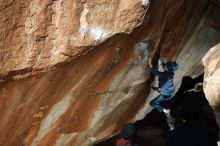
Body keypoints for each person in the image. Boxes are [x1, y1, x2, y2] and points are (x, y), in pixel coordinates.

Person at [148, 58, 179, 130]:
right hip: (169, 91)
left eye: (166, 66)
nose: (164, 66)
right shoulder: (170, 72)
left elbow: (156, 72)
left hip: (166, 95)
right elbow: (166, 66)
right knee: (160, 88)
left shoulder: (165, 75)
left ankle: (165, 111)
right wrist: (161, 61)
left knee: (152, 103)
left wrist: (150, 64)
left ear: (167, 69)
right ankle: (158, 89)